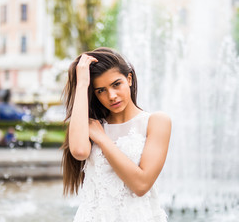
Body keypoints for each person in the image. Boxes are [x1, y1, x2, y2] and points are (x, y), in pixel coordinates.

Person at [61, 47, 172, 221]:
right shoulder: (92, 123)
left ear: (129, 79)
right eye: (100, 91)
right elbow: (79, 151)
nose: (111, 96)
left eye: (116, 84)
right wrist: (82, 84)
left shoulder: (156, 122)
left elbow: (141, 185)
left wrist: (103, 140)